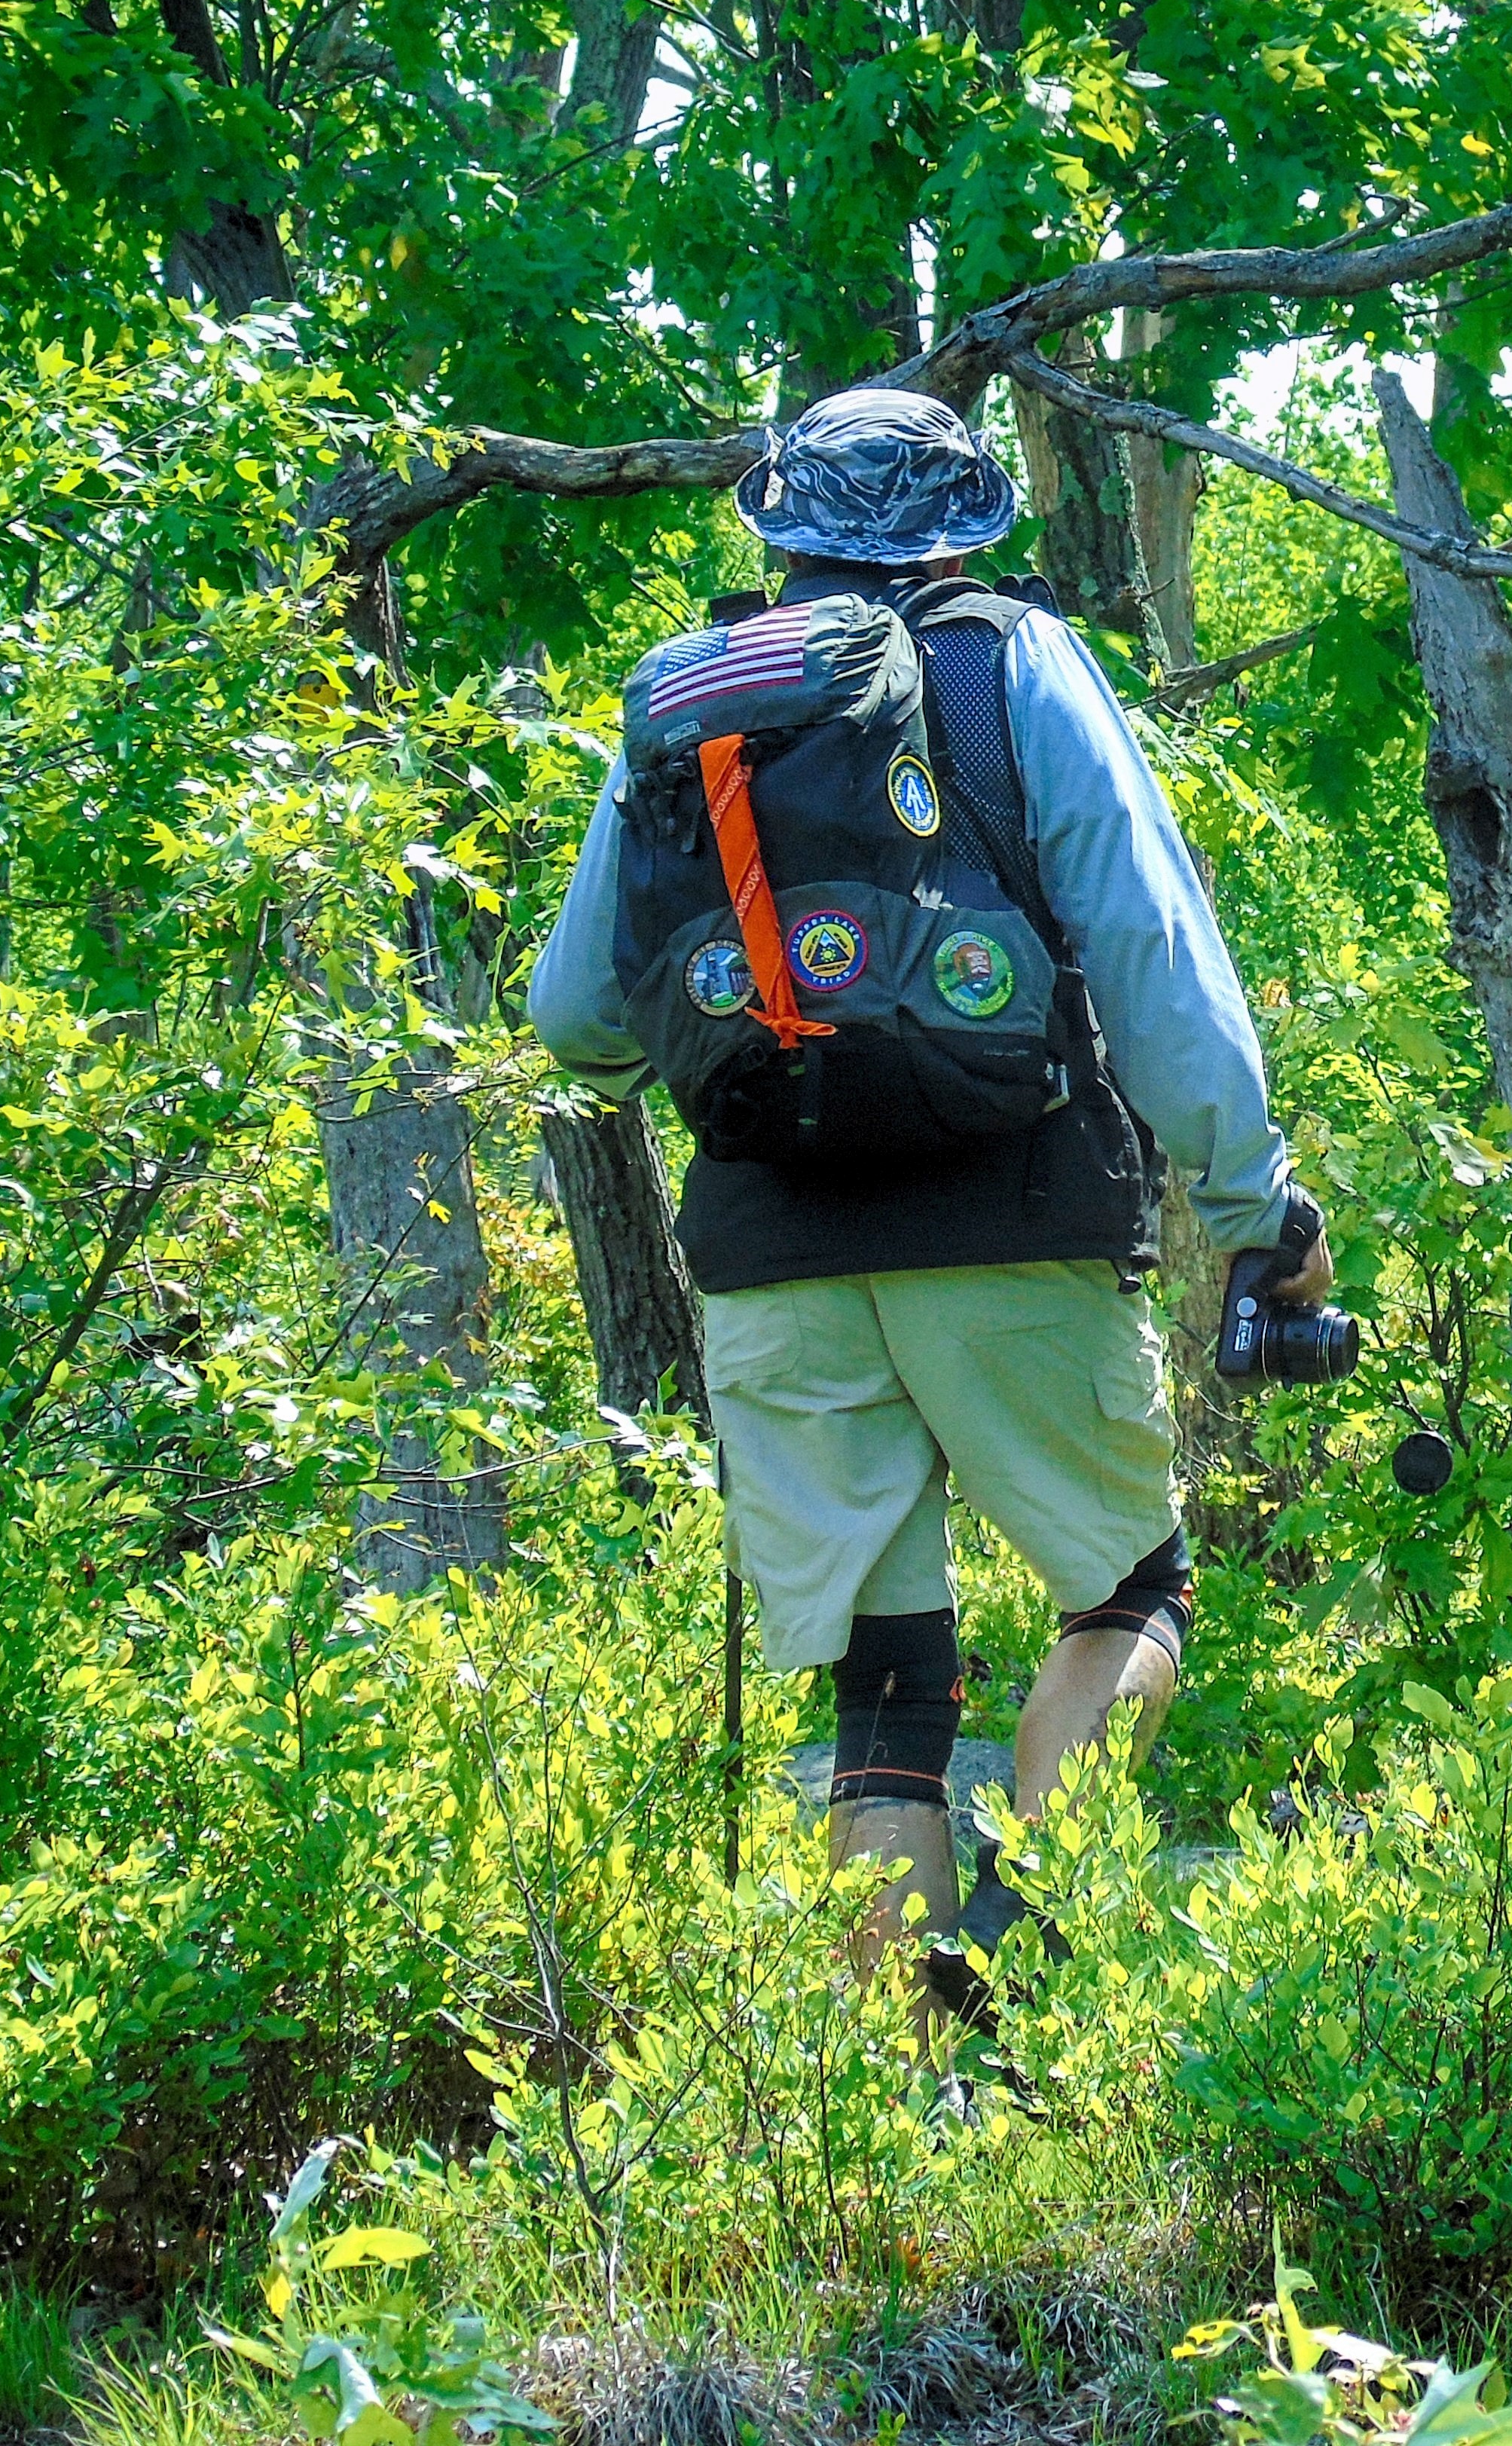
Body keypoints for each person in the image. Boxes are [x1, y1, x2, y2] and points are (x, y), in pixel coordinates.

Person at [527, 384, 1328, 2020]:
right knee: (1128, 1593)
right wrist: (1254, 1197)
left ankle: (909, 2099)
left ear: (779, 525)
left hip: (769, 1242)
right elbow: (1148, 949)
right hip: (1012, 1203)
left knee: (885, 1697)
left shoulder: (695, 701)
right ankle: (1046, 1975)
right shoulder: (1008, 662)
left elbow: (573, 1018)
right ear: (974, 526)